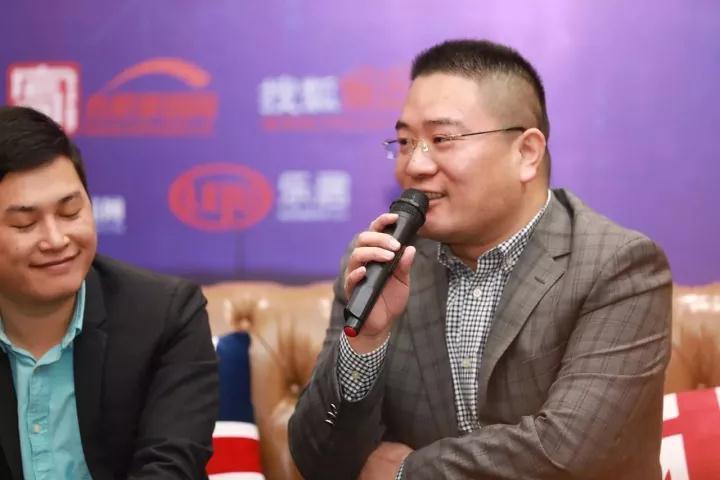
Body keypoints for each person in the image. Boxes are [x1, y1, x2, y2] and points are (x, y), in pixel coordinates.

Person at [288, 39, 672, 479]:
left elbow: (570, 453)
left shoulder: (618, 266)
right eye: (405, 141)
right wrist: (365, 342)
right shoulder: (384, 263)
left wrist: (405, 473)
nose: (414, 165)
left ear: (526, 153)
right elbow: (318, 460)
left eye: (442, 139)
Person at [0, 106, 218, 480]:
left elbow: (169, 468)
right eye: (25, 223)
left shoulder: (166, 317)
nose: (56, 239)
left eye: (70, 212)